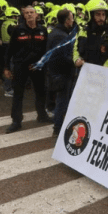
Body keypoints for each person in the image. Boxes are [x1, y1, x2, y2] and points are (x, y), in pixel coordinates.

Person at [4, 6, 51, 133]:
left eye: (32, 13)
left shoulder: (42, 30)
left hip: (37, 67)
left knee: (41, 92)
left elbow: (46, 50)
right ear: (23, 15)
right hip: (20, 66)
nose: (30, 15)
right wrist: (6, 67)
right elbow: (10, 49)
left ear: (36, 15)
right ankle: (16, 121)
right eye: (27, 13)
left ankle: (42, 115)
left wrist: (44, 65)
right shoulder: (17, 30)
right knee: (18, 94)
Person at [46, 9, 76, 137]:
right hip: (62, 73)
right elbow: (62, 57)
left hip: (59, 73)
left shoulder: (58, 33)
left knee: (63, 101)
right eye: (72, 18)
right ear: (67, 20)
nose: (73, 20)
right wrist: (75, 62)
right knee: (62, 101)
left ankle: (60, 125)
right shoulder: (60, 35)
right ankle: (57, 128)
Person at [73, 0, 108, 70]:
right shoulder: (82, 32)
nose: (102, 18)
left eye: (103, 14)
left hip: (105, 76)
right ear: (89, 15)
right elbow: (75, 50)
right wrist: (76, 60)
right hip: (85, 75)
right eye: (98, 14)